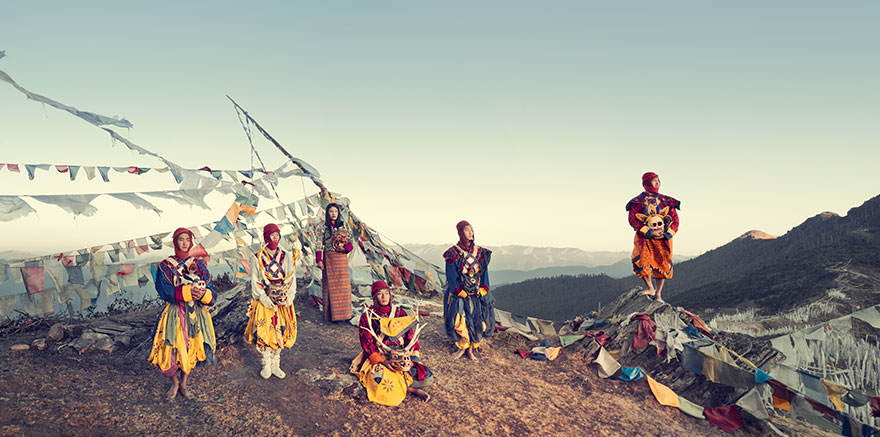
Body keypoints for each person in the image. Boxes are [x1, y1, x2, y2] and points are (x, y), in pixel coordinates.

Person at [148, 227, 216, 401]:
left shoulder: (199, 264)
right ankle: (175, 382)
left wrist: (202, 294)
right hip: (175, 313)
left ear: (191, 242)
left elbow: (210, 288)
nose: (185, 243)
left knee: (191, 346)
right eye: (181, 239)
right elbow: (164, 290)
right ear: (175, 242)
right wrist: (186, 292)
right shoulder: (166, 265)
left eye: (187, 239)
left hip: (195, 313)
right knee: (170, 347)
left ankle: (184, 383)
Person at [350, 280, 433, 406]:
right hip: (381, 355)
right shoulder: (367, 316)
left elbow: (411, 338)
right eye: (380, 294)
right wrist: (383, 362)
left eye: (386, 293)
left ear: (390, 295)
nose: (384, 297)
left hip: (402, 355)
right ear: (374, 297)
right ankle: (410, 389)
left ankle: (405, 385)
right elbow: (366, 343)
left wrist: (411, 360)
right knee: (382, 381)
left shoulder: (400, 313)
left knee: (427, 377)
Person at [244, 223, 299, 379]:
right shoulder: (257, 257)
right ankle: (266, 364)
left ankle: (276, 364)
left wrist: (288, 297)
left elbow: (291, 277)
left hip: (282, 299)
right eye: (272, 235)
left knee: (281, 330)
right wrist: (262, 297)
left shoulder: (286, 256)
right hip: (265, 300)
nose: (275, 237)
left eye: (277, 235)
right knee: (265, 332)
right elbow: (255, 279)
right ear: (266, 237)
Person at [442, 220, 495, 360]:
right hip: (459, 293)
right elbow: (451, 275)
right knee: (460, 319)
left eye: (471, 229)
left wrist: (484, 288)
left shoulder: (480, 252)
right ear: (460, 233)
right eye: (466, 230)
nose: (470, 232)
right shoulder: (452, 253)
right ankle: (462, 347)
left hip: (477, 293)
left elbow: (484, 272)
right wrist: (458, 290)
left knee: (477, 319)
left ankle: (471, 348)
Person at [626, 172, 681, 303]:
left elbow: (675, 219)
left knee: (662, 264)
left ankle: (658, 294)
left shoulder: (666, 201)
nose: (657, 182)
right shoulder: (637, 201)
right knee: (640, 260)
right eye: (654, 180)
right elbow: (633, 219)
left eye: (658, 180)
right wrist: (649, 232)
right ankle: (650, 288)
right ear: (646, 183)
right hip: (644, 238)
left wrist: (667, 234)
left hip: (663, 238)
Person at [316, 203, 353, 322]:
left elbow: (351, 240)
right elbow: (318, 243)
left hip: (341, 258)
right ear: (327, 213)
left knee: (343, 286)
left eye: (336, 211)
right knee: (330, 286)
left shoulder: (344, 225)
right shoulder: (323, 227)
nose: (333, 214)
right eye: (331, 211)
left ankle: (345, 315)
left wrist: (345, 249)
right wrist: (319, 260)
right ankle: (332, 316)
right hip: (329, 257)